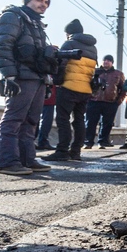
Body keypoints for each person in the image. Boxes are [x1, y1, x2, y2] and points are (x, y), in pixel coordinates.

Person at [0, 0, 66, 176]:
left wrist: (47, 77)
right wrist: (8, 76)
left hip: (36, 78)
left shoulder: (35, 23)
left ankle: (27, 159)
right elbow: (1, 47)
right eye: (39, 0)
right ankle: (7, 162)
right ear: (27, 0)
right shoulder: (12, 17)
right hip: (21, 77)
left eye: (46, 2)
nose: (43, 5)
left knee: (31, 121)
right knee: (13, 119)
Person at [48, 20, 97, 162]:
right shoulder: (93, 48)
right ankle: (76, 152)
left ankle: (62, 150)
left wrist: (57, 81)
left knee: (63, 119)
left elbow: (61, 65)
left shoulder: (69, 44)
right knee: (79, 120)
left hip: (69, 87)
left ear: (69, 33)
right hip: (86, 89)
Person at [85, 55, 125, 148]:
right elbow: (87, 85)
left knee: (107, 123)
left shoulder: (118, 74)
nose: (106, 62)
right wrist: (87, 99)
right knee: (90, 122)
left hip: (110, 102)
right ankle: (88, 142)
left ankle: (102, 142)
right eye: (104, 60)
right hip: (94, 100)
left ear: (112, 62)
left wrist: (118, 101)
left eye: (108, 60)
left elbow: (123, 89)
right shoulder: (95, 71)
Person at [35, 85, 58, 151]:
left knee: (34, 118)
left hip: (35, 94)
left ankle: (31, 140)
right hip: (49, 95)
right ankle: (43, 141)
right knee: (47, 119)